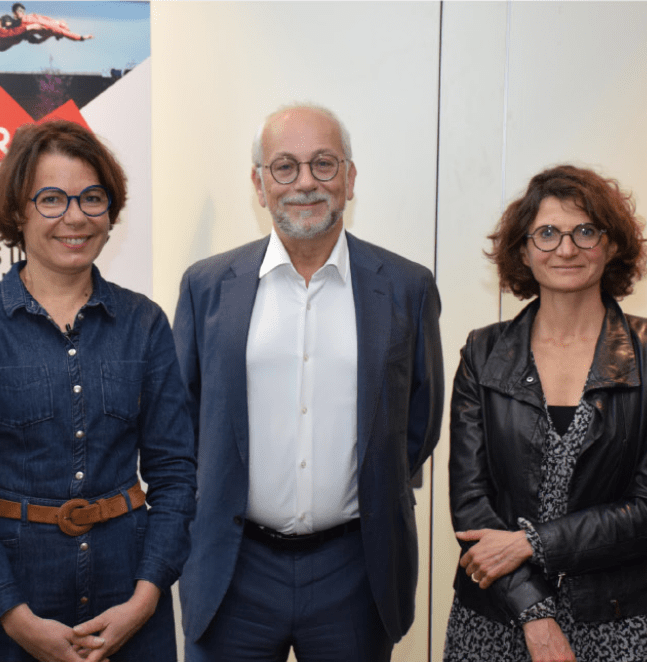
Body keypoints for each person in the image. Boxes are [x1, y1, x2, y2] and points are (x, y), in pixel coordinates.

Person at [173, 104, 444, 662]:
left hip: (356, 571)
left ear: (348, 178)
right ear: (259, 183)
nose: (305, 183)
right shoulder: (206, 287)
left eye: (323, 164)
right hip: (233, 570)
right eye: (285, 167)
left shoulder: (406, 287)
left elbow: (420, 421)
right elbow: (183, 417)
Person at [0, 119, 197, 662]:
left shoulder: (144, 322)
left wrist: (144, 601)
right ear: (17, 211)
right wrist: (16, 619)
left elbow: (176, 475)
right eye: (51, 199)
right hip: (4, 612)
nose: (74, 216)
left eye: (92, 198)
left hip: (127, 607)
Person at [443, 164, 647, 662]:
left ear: (613, 243)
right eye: (546, 233)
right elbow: (471, 504)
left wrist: (529, 544)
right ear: (522, 250)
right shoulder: (482, 352)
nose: (565, 248)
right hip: (500, 612)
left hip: (623, 617)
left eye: (584, 231)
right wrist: (535, 616)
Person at [12, 3, 93, 41]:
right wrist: (83, 37)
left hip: (25, 25)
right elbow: (71, 35)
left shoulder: (52, 29)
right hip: (25, 24)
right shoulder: (56, 29)